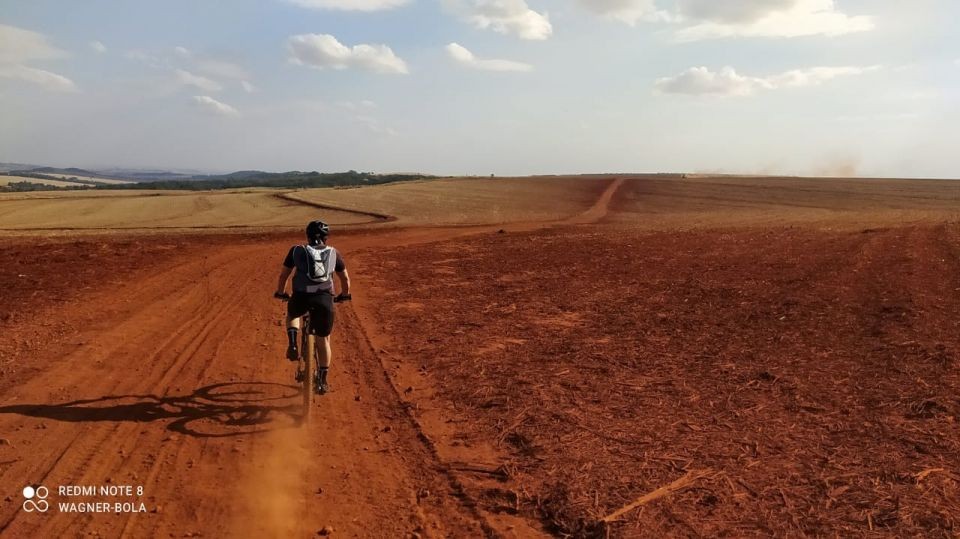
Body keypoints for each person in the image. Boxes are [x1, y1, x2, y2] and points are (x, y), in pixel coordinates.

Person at [274, 220, 351, 394]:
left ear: (307, 236)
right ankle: (322, 381)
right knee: (323, 339)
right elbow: (345, 279)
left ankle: (293, 343)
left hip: (301, 296)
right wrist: (344, 295)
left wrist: (281, 292)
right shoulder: (334, 253)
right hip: (324, 299)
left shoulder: (296, 250)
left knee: (293, 314)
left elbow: (283, 275)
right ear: (326, 237)